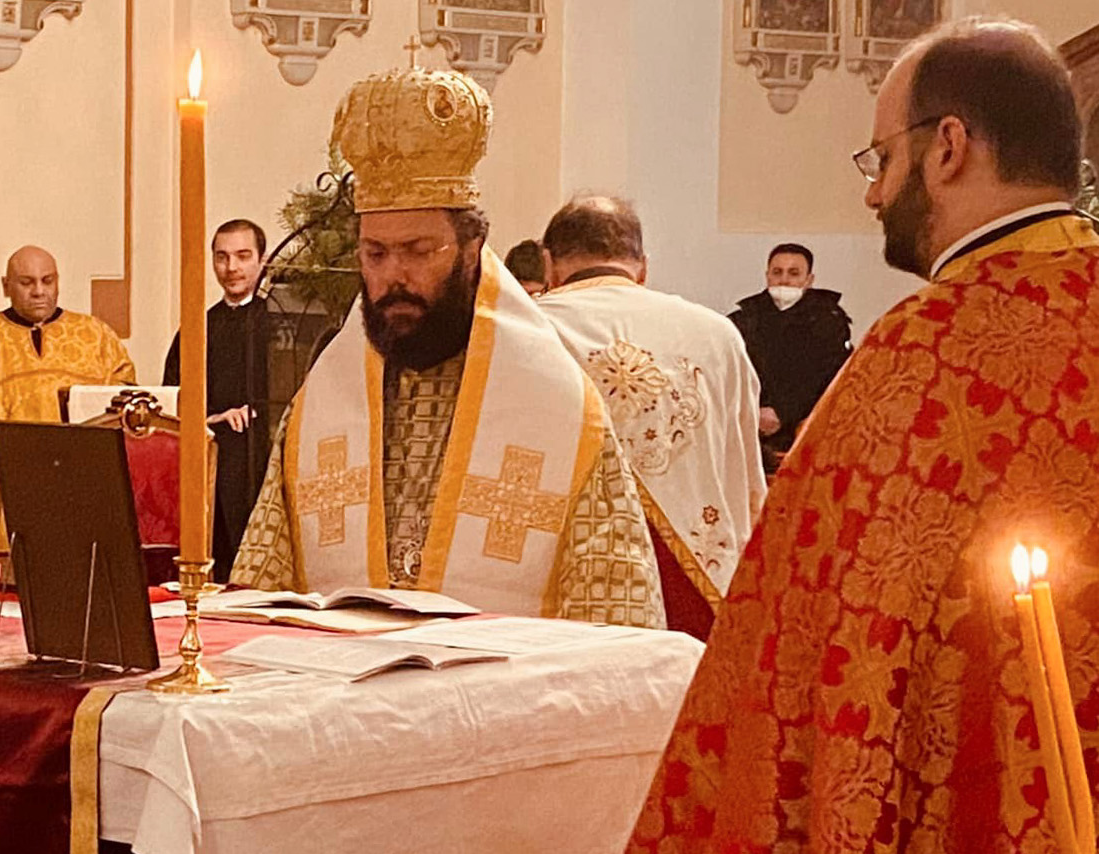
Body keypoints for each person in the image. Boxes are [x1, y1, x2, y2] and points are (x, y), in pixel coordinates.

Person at [613, 16, 1099, 854]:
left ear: (950, 147)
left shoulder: (908, 372)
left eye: (879, 159)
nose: (874, 192)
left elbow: (778, 679)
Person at [230, 67, 663, 627]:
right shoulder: (320, 409)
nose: (394, 276)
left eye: (418, 250)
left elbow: (615, 617)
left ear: (471, 248)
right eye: (376, 254)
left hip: (501, 679)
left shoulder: (559, 409)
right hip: (345, 679)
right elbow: (260, 592)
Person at [537, 194, 766, 634]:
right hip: (700, 585)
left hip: (576, 584)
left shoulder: (529, 328)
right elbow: (743, 471)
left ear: (548, 264)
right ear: (643, 266)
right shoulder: (718, 335)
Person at [0, 246, 136, 560]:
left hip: (80, 480)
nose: (39, 291)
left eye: (47, 280)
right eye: (26, 282)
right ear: (6, 286)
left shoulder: (94, 335)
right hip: (6, 480)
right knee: (6, 576)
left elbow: (125, 391)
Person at [164, 218, 272, 581]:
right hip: (211, 463)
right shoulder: (197, 329)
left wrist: (260, 410)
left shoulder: (281, 324)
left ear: (262, 259)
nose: (231, 268)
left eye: (243, 256)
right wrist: (214, 418)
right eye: (222, 257)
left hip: (262, 459)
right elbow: (171, 402)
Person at [728, 242, 853, 472]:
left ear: (809, 280)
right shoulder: (742, 320)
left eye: (794, 273)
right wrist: (753, 411)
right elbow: (729, 373)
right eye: (777, 272)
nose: (784, 280)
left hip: (806, 432)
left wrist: (784, 412)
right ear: (767, 276)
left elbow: (832, 378)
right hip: (748, 428)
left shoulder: (830, 323)